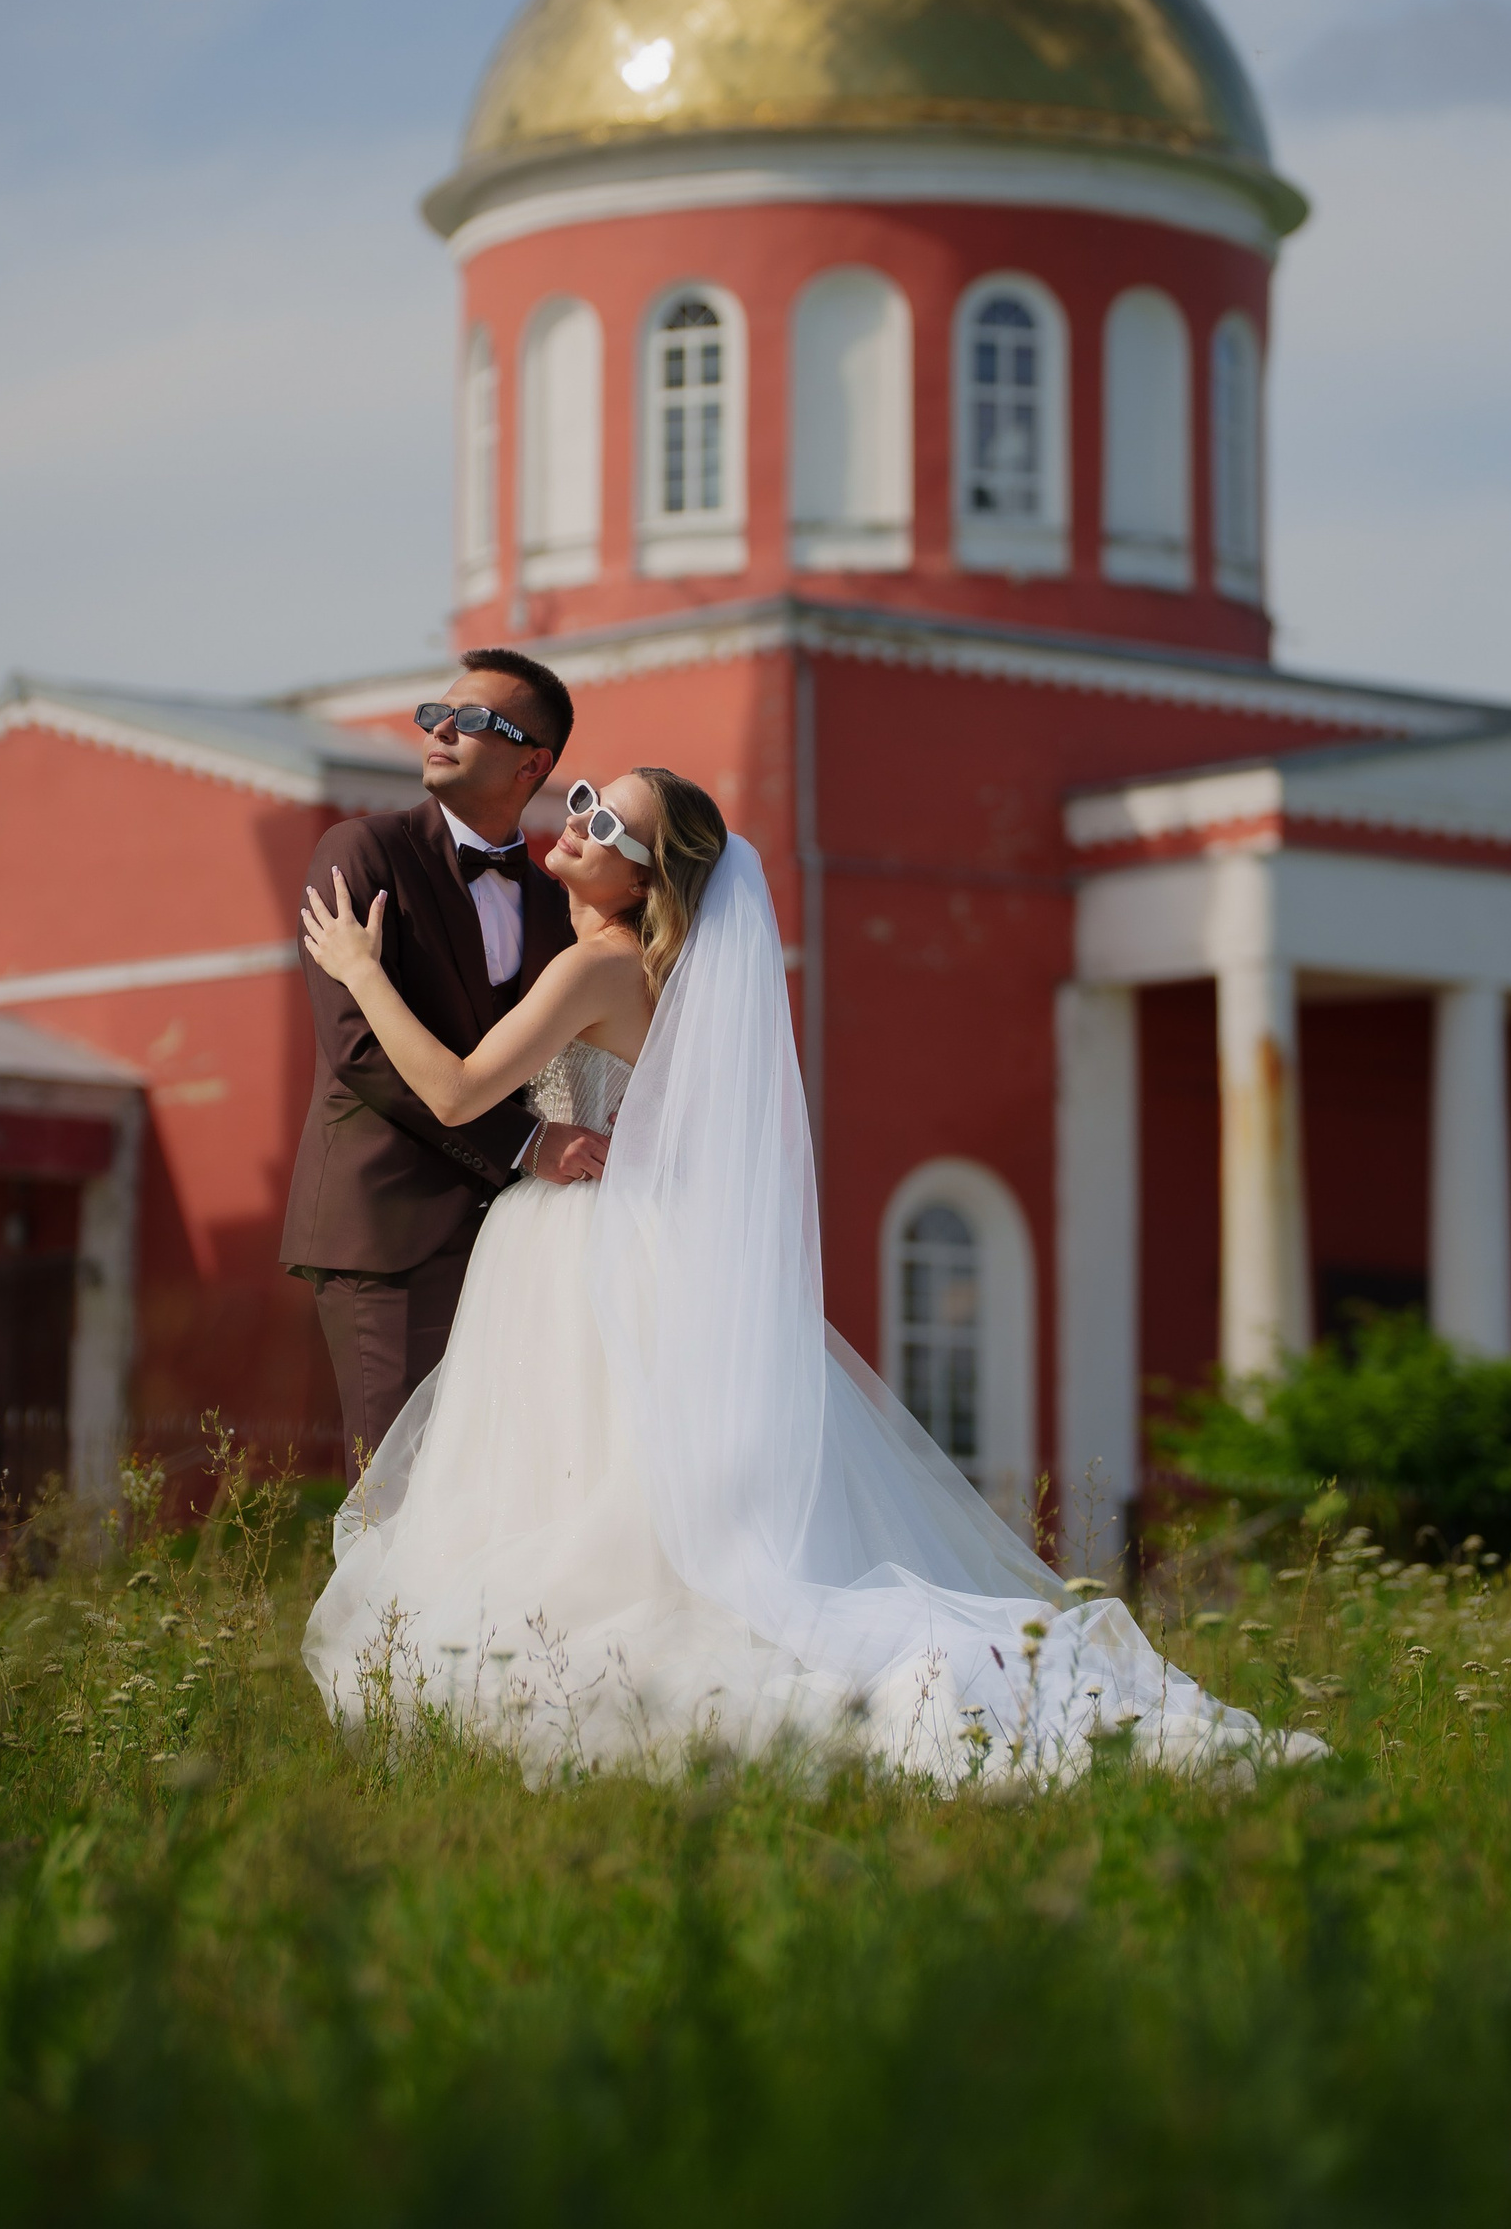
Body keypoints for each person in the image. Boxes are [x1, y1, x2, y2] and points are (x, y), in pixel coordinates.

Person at [298, 773, 1318, 1788]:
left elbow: (454, 1091)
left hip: (577, 1250)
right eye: (584, 801)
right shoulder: (653, 976)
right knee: (618, 1482)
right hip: (620, 1243)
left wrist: (360, 972)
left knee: (580, 1482)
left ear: (644, 880)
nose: (578, 823)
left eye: (606, 824)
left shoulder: (594, 968)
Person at [280, 649, 612, 1487]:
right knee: (393, 1487)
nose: (440, 730)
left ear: (533, 762)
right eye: (435, 714)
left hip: (520, 1242)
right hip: (386, 1226)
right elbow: (359, 1049)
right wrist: (527, 1144)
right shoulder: (360, 850)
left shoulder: (557, 905)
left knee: (493, 1489)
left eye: (471, 720)